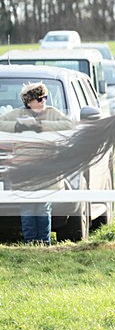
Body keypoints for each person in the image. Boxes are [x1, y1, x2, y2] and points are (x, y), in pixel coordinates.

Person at [0, 82, 74, 244]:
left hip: (45, 169)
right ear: (29, 101)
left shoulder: (52, 112)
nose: (43, 101)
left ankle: (44, 242)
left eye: (45, 97)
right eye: (39, 99)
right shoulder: (16, 114)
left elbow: (69, 124)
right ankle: (30, 242)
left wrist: (41, 126)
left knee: (43, 207)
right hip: (23, 169)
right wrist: (18, 126)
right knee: (27, 208)